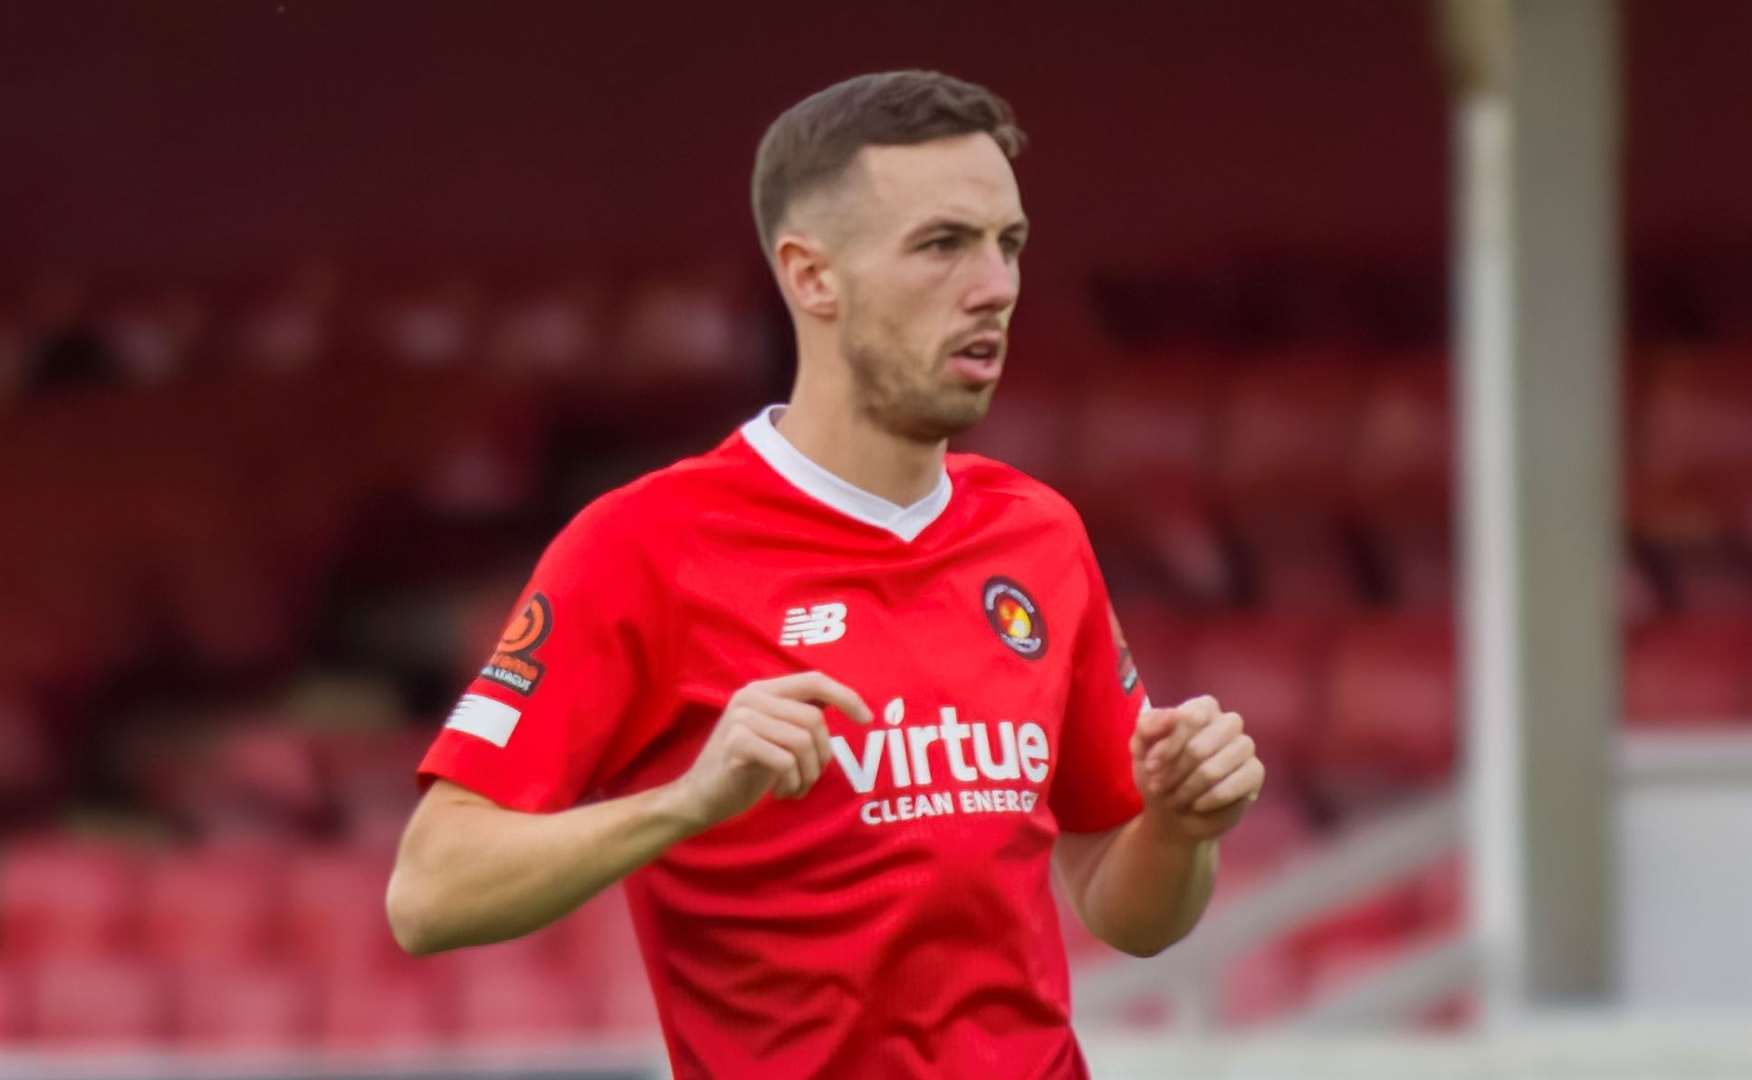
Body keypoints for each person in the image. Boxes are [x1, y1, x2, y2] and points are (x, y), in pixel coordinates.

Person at [387, 69, 1266, 1079]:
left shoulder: (1040, 534)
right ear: (812, 276)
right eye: (943, 245)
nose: (995, 286)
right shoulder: (644, 545)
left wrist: (1182, 826)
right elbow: (429, 892)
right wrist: (687, 802)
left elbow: (1130, 907)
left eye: (1008, 243)